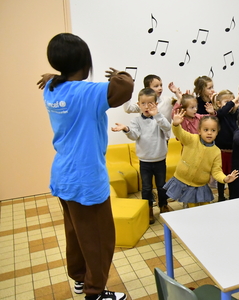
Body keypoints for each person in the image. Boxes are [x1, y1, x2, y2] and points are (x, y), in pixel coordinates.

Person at [38, 33, 133, 300]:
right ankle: (95, 292)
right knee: (100, 240)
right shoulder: (87, 92)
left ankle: (81, 279)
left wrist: (51, 75)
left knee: (77, 235)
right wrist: (121, 74)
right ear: (84, 61)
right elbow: (123, 89)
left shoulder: (51, 89)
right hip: (87, 179)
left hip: (63, 175)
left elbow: (54, 79)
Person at [111, 88, 171, 224]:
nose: (146, 106)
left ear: (156, 104)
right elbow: (134, 135)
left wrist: (157, 115)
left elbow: (167, 128)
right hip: (145, 161)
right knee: (146, 187)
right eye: (143, 103)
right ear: (138, 104)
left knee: (162, 186)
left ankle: (163, 205)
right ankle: (148, 209)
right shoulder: (136, 121)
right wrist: (126, 129)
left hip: (160, 159)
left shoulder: (159, 118)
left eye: (150, 104)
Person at [164, 110, 239, 207]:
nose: (209, 133)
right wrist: (176, 124)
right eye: (206, 129)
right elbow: (180, 133)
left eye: (213, 130)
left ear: (217, 132)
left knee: (204, 207)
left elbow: (216, 171)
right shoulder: (192, 139)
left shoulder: (216, 151)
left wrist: (225, 178)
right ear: (199, 130)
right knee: (190, 207)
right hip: (182, 179)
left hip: (200, 185)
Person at [214, 89, 239, 201]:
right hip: (222, 152)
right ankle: (220, 196)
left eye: (232, 101)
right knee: (222, 175)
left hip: (234, 152)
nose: (230, 104)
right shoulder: (220, 115)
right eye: (227, 102)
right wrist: (232, 102)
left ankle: (232, 196)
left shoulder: (235, 115)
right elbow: (222, 112)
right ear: (219, 104)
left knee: (233, 175)